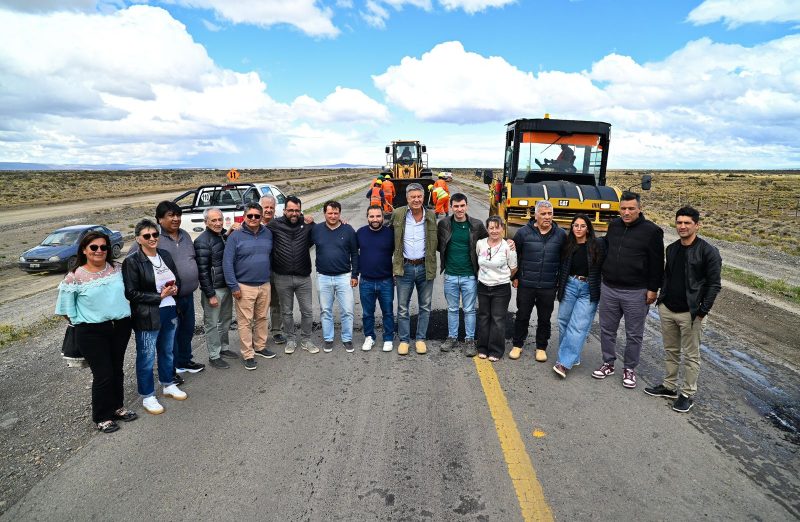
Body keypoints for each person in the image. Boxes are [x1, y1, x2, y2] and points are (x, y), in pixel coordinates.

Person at [55, 231, 135, 433]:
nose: (99, 251)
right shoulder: (75, 277)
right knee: (103, 373)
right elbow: (65, 310)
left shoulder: (117, 269)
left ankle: (117, 407)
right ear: (84, 249)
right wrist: (86, 321)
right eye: (94, 247)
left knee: (117, 369)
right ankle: (102, 416)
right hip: (91, 332)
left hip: (120, 326)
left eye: (103, 247)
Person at [645, 207, 721, 412]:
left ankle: (687, 393)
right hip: (668, 308)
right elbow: (667, 276)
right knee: (671, 351)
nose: (682, 226)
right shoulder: (672, 249)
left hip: (692, 313)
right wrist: (661, 300)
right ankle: (669, 386)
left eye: (687, 223)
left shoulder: (708, 251)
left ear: (697, 225)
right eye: (679, 222)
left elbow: (714, 285)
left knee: (691, 355)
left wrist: (703, 311)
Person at [593, 191, 664, 388]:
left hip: (636, 292)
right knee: (607, 329)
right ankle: (608, 363)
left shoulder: (652, 232)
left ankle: (629, 368)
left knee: (634, 334)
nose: (626, 212)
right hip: (609, 288)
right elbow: (606, 248)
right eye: (623, 208)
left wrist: (652, 289)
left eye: (631, 208)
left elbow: (657, 263)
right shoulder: (614, 226)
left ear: (639, 209)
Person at [123, 219, 187, 415]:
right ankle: (148, 395)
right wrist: (159, 296)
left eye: (155, 235)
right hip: (148, 315)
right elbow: (131, 293)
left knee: (167, 350)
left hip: (169, 310)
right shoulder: (132, 261)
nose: (152, 239)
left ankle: (168, 384)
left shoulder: (165, 255)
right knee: (147, 355)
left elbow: (176, 277)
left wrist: (175, 289)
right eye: (147, 236)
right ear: (138, 239)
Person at [510, 200, 566, 362]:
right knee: (522, 315)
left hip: (548, 286)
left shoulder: (561, 234)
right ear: (535, 215)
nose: (547, 217)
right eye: (543, 214)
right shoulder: (523, 233)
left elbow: (564, 260)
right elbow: (515, 257)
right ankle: (517, 345)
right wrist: (515, 277)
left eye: (550, 214)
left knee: (545, 318)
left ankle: (541, 347)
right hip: (526, 284)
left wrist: (559, 282)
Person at [154, 201, 205, 377]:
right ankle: (170, 369)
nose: (176, 219)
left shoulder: (184, 235)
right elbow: (134, 261)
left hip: (187, 294)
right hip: (168, 298)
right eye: (170, 215)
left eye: (178, 215)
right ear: (160, 219)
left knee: (187, 329)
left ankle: (184, 361)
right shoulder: (154, 239)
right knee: (170, 334)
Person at [552, 214, 606, 378]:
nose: (579, 228)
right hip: (569, 285)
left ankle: (564, 363)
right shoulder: (568, 245)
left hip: (588, 289)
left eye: (583, 226)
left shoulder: (597, 245)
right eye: (576, 225)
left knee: (578, 326)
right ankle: (571, 356)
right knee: (563, 321)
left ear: (588, 229)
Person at [223, 202, 275, 370]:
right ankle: (248, 354)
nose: (253, 219)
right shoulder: (235, 236)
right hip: (244, 286)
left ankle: (260, 346)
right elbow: (227, 263)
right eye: (250, 216)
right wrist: (233, 286)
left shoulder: (267, 233)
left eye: (257, 216)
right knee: (245, 322)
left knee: (262, 318)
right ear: (244, 216)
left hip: (264, 284)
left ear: (261, 217)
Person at [437, 193, 487, 356]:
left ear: (466, 206)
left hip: (469, 275)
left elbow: (488, 243)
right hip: (450, 274)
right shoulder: (444, 223)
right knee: (452, 308)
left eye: (462, 205)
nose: (459, 209)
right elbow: (439, 245)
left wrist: (508, 242)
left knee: (469, 309)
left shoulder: (477, 225)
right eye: (456, 206)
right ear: (451, 207)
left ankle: (470, 340)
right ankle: (452, 337)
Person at [268, 195, 320, 354]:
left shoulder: (308, 224)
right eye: (290, 210)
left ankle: (306, 339)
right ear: (284, 210)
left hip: (303, 277)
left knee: (307, 311)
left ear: (301, 211)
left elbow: (325, 232)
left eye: (297, 210)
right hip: (282, 277)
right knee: (287, 311)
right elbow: (254, 229)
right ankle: (290, 339)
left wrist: (342, 223)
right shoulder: (274, 225)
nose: (294, 213)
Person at [391, 183, 438, 355]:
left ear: (423, 197)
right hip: (405, 267)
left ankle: (420, 339)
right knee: (403, 307)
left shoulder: (431, 216)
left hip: (426, 266)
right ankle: (404, 340)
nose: (416, 200)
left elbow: (442, 238)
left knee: (425, 306)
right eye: (413, 197)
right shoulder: (398, 214)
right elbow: (386, 234)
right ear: (407, 198)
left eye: (419, 196)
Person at [310, 201, 359, 352]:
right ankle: (328, 338)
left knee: (347, 310)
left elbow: (355, 254)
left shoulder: (348, 230)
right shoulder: (316, 229)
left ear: (340, 213)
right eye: (330, 213)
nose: (333, 216)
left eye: (336, 213)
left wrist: (354, 274)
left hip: (344, 276)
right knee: (326, 310)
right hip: (323, 277)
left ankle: (347, 338)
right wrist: (305, 219)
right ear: (324, 213)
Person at [194, 208, 238, 369]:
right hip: (214, 290)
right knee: (211, 323)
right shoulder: (201, 242)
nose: (218, 223)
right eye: (214, 220)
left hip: (226, 286)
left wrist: (230, 231)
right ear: (206, 222)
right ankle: (214, 355)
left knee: (225, 320)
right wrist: (210, 294)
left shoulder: (222, 236)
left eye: (220, 219)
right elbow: (203, 271)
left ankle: (224, 348)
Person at [475, 216, 518, 361]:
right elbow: (478, 262)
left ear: (502, 228)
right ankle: (482, 347)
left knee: (498, 319)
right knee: (483, 317)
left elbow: (513, 268)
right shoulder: (480, 244)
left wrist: (501, 277)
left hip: (501, 288)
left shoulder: (508, 246)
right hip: (483, 286)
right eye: (491, 228)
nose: (494, 231)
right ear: (487, 229)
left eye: (497, 227)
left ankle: (495, 350)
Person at [356, 205, 395, 352]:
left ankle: (388, 338)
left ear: (383, 217)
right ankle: (369, 337)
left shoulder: (390, 233)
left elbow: (397, 254)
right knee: (367, 312)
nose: (375, 219)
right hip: (366, 281)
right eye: (372, 216)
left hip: (386, 281)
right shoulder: (360, 233)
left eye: (378, 216)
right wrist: (355, 273)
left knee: (388, 312)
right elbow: (354, 254)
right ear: (367, 217)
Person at [260, 195, 287, 347]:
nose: (268, 210)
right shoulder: (253, 223)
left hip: (277, 270)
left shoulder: (279, 223)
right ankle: (257, 332)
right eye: (266, 207)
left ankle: (277, 331)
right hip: (258, 272)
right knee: (259, 304)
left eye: (271, 207)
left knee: (276, 303)